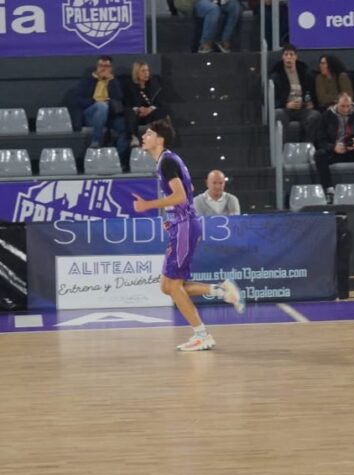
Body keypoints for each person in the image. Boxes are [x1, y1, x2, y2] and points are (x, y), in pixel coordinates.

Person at [132, 119, 244, 352]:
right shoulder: (169, 159)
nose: (144, 136)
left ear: (160, 140)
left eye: (149, 134)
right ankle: (219, 290)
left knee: (174, 286)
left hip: (185, 227)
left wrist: (148, 205)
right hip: (182, 224)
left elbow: (181, 196)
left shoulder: (166, 162)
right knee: (167, 286)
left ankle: (201, 334)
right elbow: (185, 195)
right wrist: (172, 219)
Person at [73, 56, 129, 158]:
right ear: (97, 67)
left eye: (106, 66)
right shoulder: (88, 80)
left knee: (126, 129)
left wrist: (111, 81)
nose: (103, 68)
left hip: (110, 116)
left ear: (111, 68)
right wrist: (95, 101)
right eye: (100, 66)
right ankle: (96, 141)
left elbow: (119, 98)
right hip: (91, 113)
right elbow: (78, 100)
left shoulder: (114, 82)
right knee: (101, 106)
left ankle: (120, 159)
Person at [271, 44, 321, 143]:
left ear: (296, 57)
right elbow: (273, 98)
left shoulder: (305, 73)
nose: (289, 57)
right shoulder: (276, 76)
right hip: (285, 108)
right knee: (278, 113)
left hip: (302, 108)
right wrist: (286, 104)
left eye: (291, 54)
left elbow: (310, 92)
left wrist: (309, 102)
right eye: (286, 54)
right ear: (282, 57)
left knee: (315, 115)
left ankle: (307, 146)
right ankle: (282, 148)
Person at [124, 60, 167, 148]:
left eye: (147, 71)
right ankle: (134, 137)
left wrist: (149, 109)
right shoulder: (129, 86)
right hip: (136, 115)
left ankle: (158, 137)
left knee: (161, 111)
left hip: (149, 115)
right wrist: (138, 109)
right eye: (143, 71)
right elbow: (127, 104)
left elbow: (159, 103)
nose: (146, 73)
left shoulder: (154, 85)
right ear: (136, 73)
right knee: (130, 113)